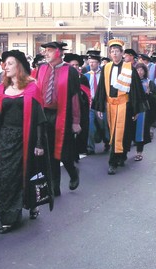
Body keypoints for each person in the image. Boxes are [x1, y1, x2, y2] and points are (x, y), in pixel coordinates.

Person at [0, 50, 52, 234]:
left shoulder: (32, 88)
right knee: (6, 178)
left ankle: (24, 210)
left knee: (25, 175)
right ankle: (9, 215)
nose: (5, 67)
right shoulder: (1, 89)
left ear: (19, 66)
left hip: (25, 139)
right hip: (5, 140)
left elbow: (40, 119)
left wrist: (40, 144)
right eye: (4, 64)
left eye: (9, 63)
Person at [93, 39, 147, 175]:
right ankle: (120, 156)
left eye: (117, 51)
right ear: (110, 54)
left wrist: (135, 110)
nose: (114, 54)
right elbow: (101, 89)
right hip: (111, 105)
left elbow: (135, 89)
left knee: (123, 133)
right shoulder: (106, 68)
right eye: (112, 51)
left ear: (122, 53)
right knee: (113, 133)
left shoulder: (129, 69)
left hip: (125, 105)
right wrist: (100, 107)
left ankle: (113, 162)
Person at [36, 42, 81, 197]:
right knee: (49, 152)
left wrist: (76, 121)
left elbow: (75, 97)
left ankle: (73, 172)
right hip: (44, 114)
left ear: (58, 53)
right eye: (45, 51)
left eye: (49, 51)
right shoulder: (41, 69)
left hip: (63, 115)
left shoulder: (70, 71)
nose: (46, 54)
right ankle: (55, 186)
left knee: (63, 152)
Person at [63, 53, 90, 161]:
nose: (75, 67)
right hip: (69, 108)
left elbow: (87, 94)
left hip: (82, 108)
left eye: (76, 65)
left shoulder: (83, 78)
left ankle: (80, 150)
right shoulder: (64, 77)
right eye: (72, 65)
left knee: (81, 130)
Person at [84, 52, 110, 155]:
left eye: (94, 62)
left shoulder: (104, 75)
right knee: (90, 126)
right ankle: (90, 147)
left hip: (101, 104)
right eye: (90, 62)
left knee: (103, 125)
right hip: (90, 104)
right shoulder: (86, 76)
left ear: (98, 63)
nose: (91, 64)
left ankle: (107, 142)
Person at [133, 62, 156, 161]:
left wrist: (149, 93)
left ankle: (139, 152)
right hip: (132, 111)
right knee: (130, 132)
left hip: (143, 113)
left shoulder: (149, 83)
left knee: (141, 133)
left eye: (141, 70)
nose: (139, 72)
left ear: (145, 72)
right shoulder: (131, 82)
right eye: (137, 70)